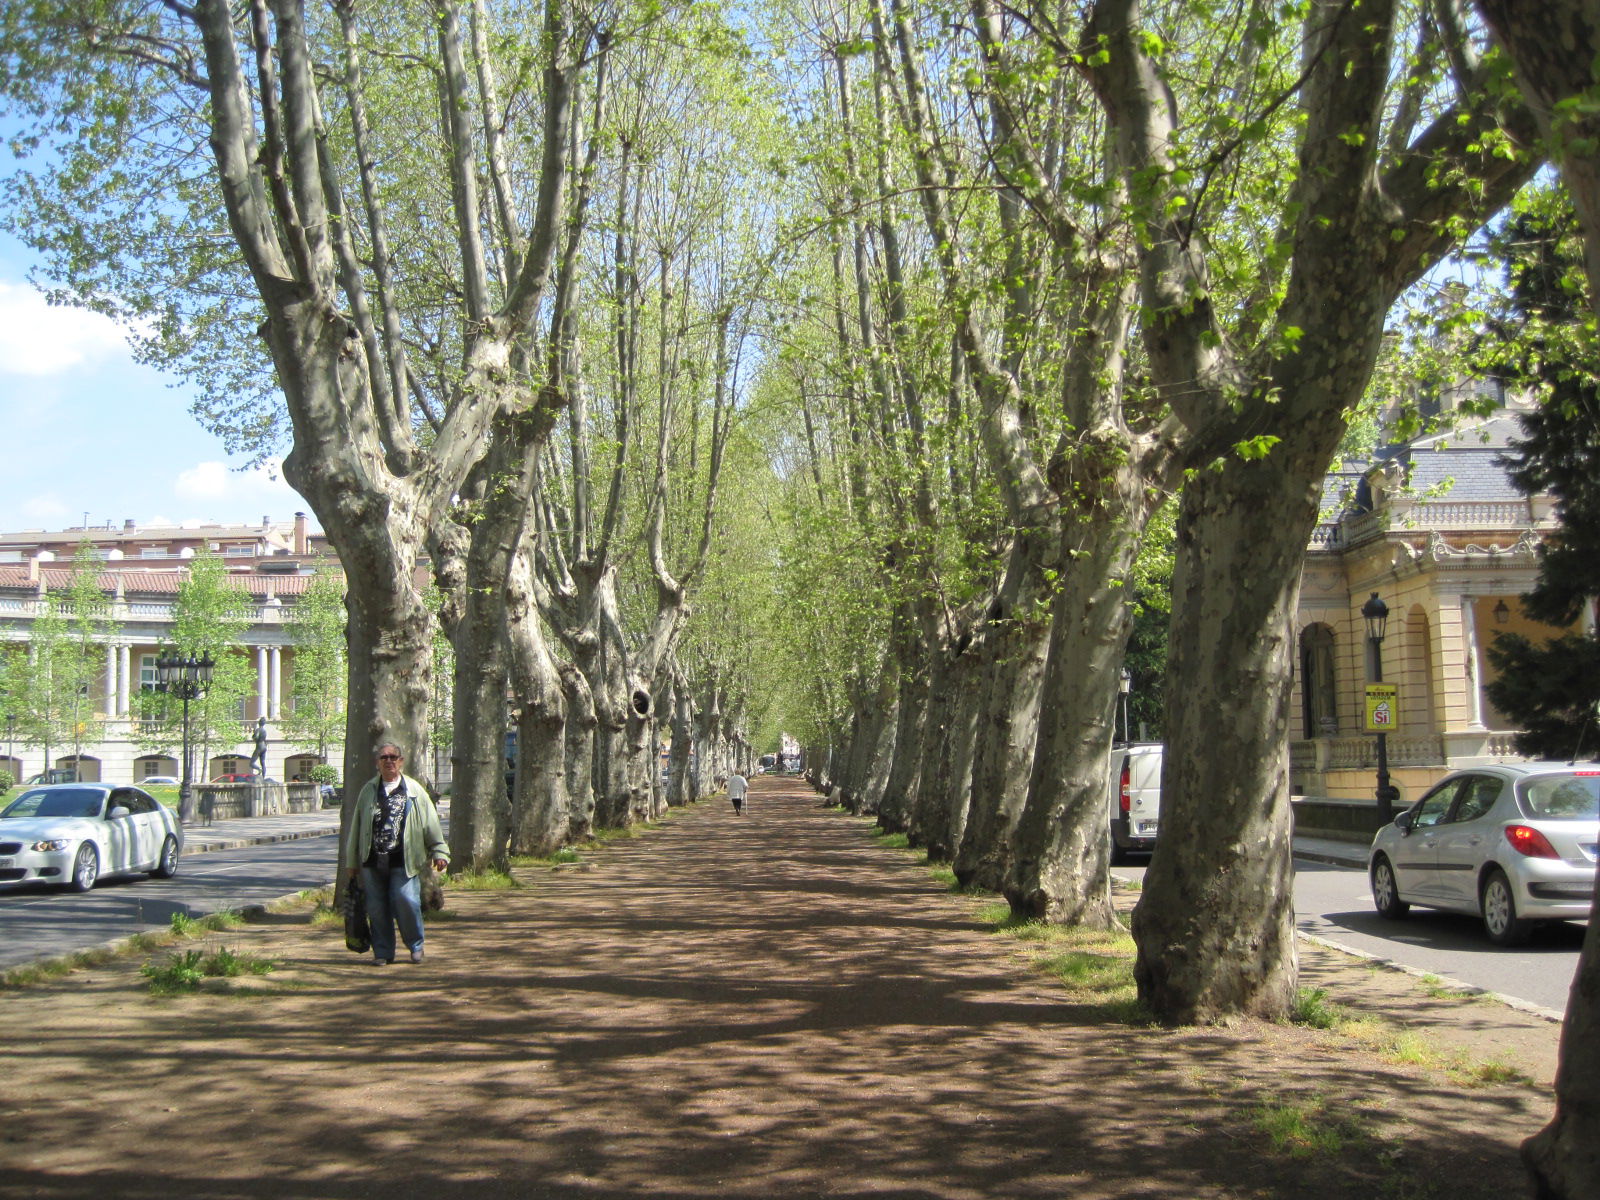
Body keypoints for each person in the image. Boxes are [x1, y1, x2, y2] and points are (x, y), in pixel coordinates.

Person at [342, 743, 450, 966]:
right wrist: (352, 861)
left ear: (401, 762)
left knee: (406, 900)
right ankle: (382, 952)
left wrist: (440, 851)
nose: (389, 761)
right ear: (377, 763)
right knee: (377, 907)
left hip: (405, 859)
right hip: (373, 861)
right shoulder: (368, 791)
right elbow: (357, 827)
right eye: (384, 758)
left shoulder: (414, 791)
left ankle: (416, 946)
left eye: (393, 757)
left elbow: (431, 823)